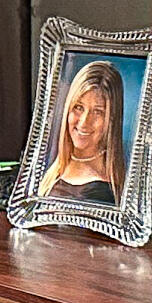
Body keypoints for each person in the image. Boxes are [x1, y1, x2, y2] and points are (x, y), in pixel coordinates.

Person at [39, 57, 127, 205]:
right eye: (79, 107)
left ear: (112, 119)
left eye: (98, 112)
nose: (84, 122)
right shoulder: (54, 169)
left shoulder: (102, 193)